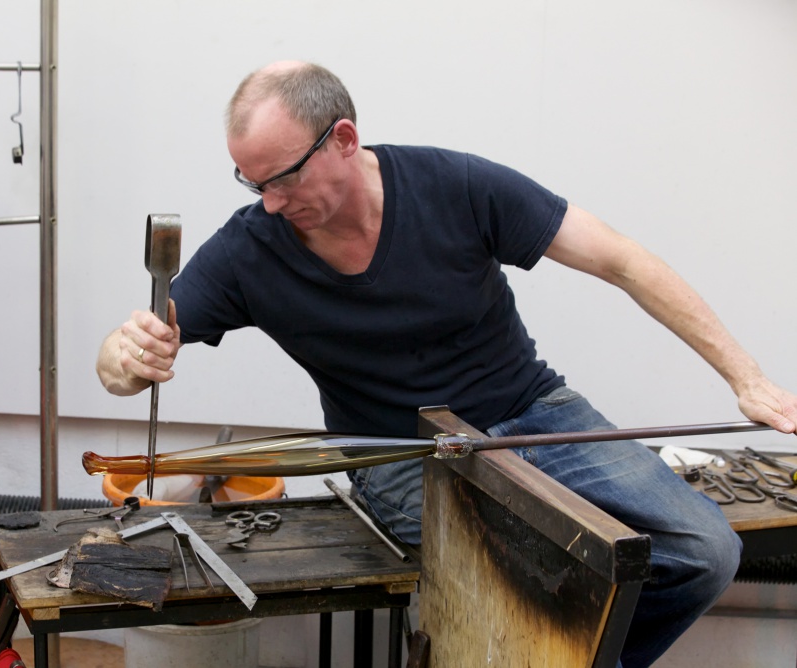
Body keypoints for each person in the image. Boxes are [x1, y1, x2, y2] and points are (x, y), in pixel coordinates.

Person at [97, 61, 797, 666]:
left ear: (343, 138)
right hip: (397, 450)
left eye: (281, 179)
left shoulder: (455, 185)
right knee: (522, 587)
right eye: (254, 185)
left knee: (706, 550)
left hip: (531, 409)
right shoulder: (251, 248)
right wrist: (125, 356)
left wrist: (747, 378)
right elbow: (123, 364)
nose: (271, 203)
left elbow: (625, 260)